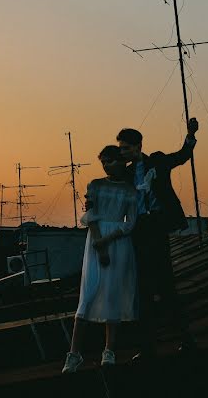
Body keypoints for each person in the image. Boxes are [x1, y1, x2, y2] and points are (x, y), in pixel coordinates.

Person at [117, 117, 199, 363]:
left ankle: (186, 339)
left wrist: (191, 134)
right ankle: (148, 347)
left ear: (138, 146)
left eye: (126, 148)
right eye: (121, 149)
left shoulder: (158, 160)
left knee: (165, 286)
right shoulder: (127, 173)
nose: (123, 153)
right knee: (143, 291)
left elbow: (183, 156)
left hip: (156, 227)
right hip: (139, 230)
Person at [62, 146, 139, 373]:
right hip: (96, 242)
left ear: (121, 162)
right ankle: (74, 354)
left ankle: (109, 351)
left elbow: (130, 223)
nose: (106, 166)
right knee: (88, 293)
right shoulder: (95, 185)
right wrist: (100, 243)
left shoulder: (130, 190)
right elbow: (91, 216)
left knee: (113, 293)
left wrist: (107, 240)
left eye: (110, 161)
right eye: (103, 162)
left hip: (119, 243)